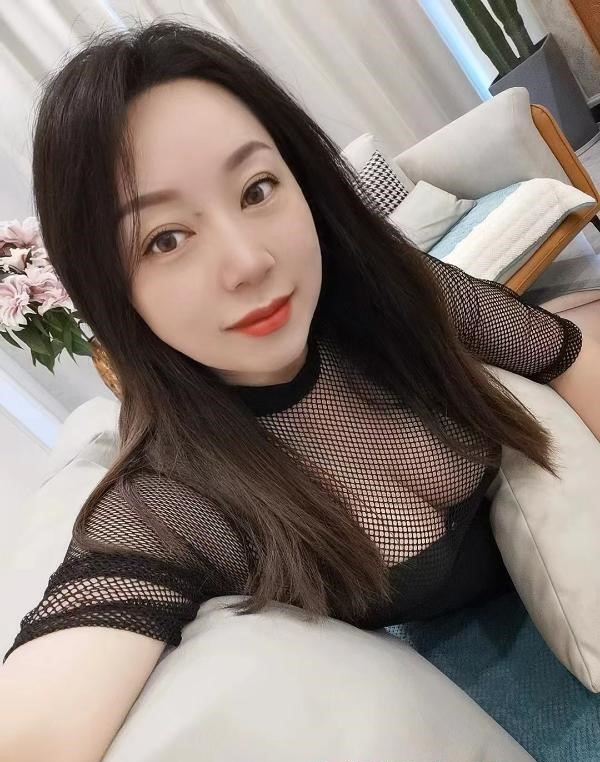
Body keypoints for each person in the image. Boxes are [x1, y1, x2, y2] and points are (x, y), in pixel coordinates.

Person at [1, 18, 600, 762]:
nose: (248, 261)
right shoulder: (171, 497)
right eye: (164, 238)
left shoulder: (393, 297)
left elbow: (561, 350)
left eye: (257, 189)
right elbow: (37, 723)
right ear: (107, 286)